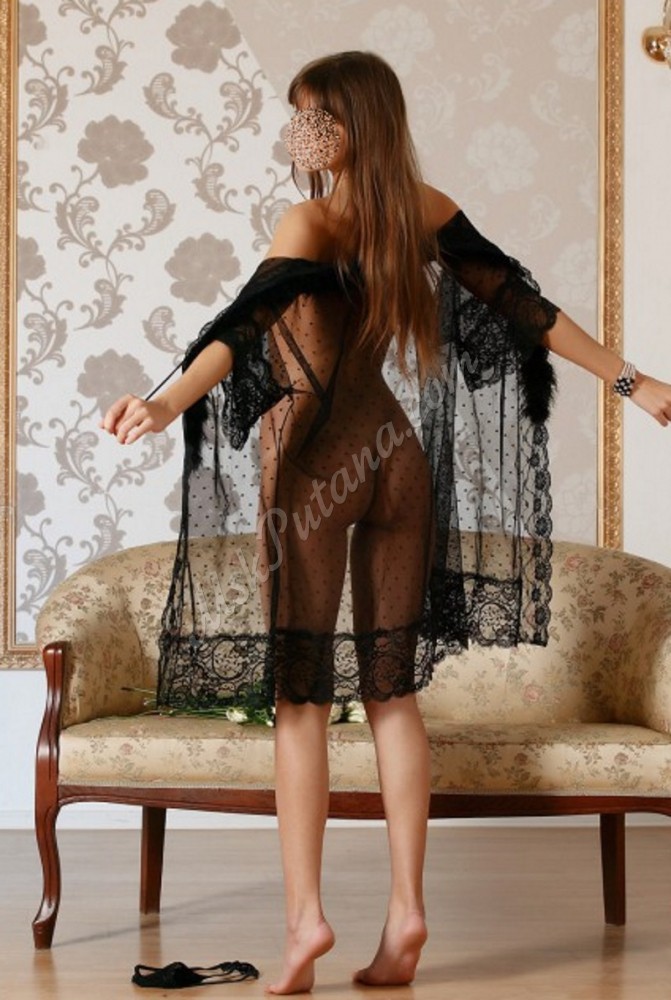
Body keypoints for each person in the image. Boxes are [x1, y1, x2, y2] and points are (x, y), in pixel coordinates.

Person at [101, 51, 671, 995]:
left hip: (315, 462)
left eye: (310, 117)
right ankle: (406, 912)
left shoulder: (308, 219)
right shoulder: (422, 210)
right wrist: (632, 382)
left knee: (300, 703)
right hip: (395, 458)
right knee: (392, 695)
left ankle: (305, 923)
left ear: (350, 124)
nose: (296, 134)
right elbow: (527, 309)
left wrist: (164, 405)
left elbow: (242, 328)